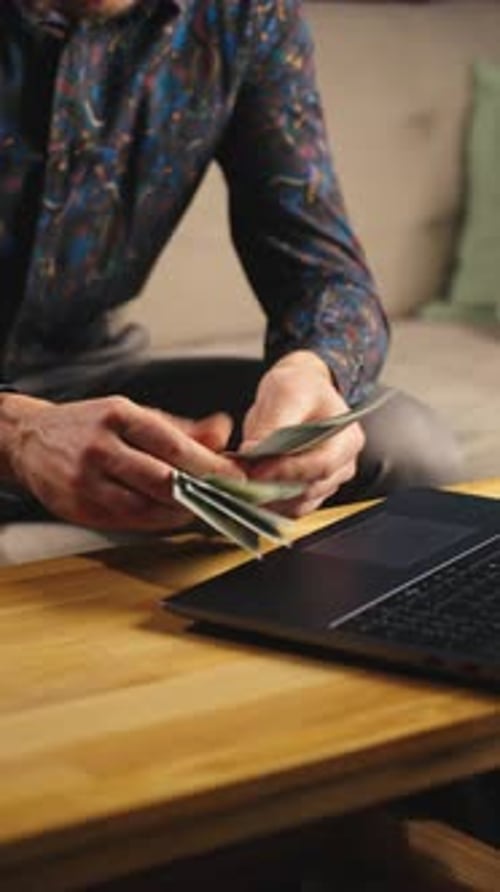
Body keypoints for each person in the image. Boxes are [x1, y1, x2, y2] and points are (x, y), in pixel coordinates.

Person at [0, 0, 463, 535]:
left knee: (403, 446)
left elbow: (323, 270)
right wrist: (18, 435)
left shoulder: (243, 16)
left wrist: (311, 371)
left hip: (82, 375)